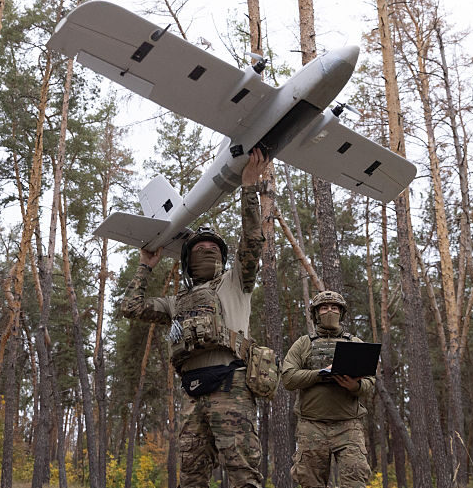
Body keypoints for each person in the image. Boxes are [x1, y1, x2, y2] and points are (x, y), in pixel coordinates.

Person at [121, 148, 270, 488]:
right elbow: (132, 307)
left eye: (213, 248)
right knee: (191, 477)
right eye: (199, 248)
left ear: (223, 257)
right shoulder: (177, 302)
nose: (206, 250)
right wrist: (145, 266)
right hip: (192, 393)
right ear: (187, 261)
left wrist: (249, 187)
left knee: (243, 475)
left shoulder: (236, 282)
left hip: (232, 386)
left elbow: (252, 240)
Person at [281, 290, 375, 488]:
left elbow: (370, 384)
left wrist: (355, 386)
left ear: (341, 312)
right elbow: (288, 378)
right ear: (316, 313)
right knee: (309, 482)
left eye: (334, 307)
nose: (329, 311)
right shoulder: (303, 343)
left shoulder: (355, 344)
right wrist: (320, 374)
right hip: (311, 425)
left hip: (348, 426)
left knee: (356, 481)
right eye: (324, 308)